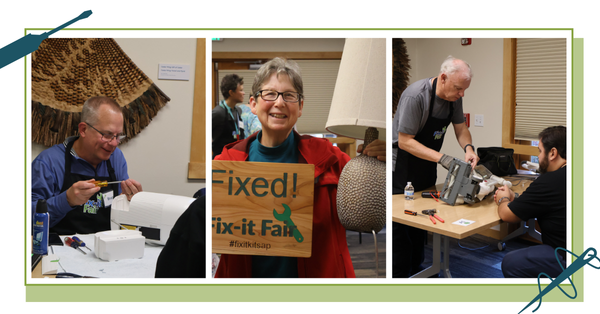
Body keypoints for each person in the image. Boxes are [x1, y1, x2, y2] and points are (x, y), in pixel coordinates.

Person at [213, 57, 385, 278]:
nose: (279, 102)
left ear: (300, 106)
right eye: (270, 94)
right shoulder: (227, 163)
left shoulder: (329, 158)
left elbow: (369, 209)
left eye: (289, 95)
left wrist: (378, 166)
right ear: (253, 104)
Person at [391, 56, 479, 278]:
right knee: (402, 224)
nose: (462, 94)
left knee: (421, 218)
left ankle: (420, 270)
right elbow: (405, 141)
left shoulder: (454, 97)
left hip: (427, 164)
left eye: (464, 90)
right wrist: (443, 158)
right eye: (459, 88)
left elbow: (461, 129)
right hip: (402, 166)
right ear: (443, 78)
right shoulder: (415, 96)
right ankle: (400, 275)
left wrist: (469, 148)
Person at [31, 96, 143, 235]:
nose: (114, 143)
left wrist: (131, 203)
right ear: (83, 129)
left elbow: (122, 219)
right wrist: (66, 200)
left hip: (106, 246)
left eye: (118, 136)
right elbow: (28, 221)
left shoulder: (116, 158)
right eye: (107, 135)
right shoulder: (48, 163)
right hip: (62, 248)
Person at [494, 126, 566, 278]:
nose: (539, 157)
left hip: (569, 258)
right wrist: (518, 199)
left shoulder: (549, 181)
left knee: (511, 262)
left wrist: (503, 198)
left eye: (540, 151)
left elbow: (507, 215)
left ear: (552, 153)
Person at [212, 74, 246, 158]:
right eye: (241, 90)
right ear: (231, 92)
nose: (244, 93)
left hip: (235, 158)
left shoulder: (238, 110)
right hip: (220, 161)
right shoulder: (218, 113)